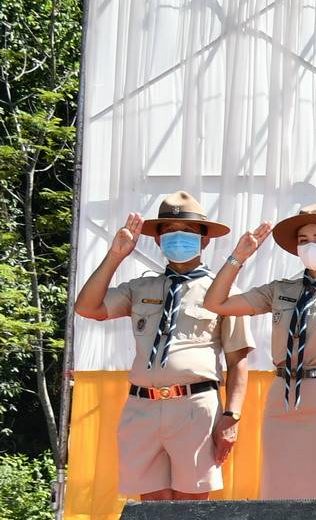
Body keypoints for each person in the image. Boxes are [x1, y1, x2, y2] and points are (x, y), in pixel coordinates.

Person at [74, 191, 253, 501]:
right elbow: (88, 308)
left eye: (187, 232)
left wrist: (232, 416)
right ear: (157, 240)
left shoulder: (222, 291)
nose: (177, 238)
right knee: (151, 513)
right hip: (142, 406)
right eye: (169, 231)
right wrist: (115, 256)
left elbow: (238, 360)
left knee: (190, 510)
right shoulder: (141, 287)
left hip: (195, 407)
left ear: (205, 240)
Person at [202, 203, 316, 499]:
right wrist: (238, 257)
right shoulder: (279, 289)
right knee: (279, 490)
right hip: (282, 397)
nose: (311, 246)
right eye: (303, 240)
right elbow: (216, 303)